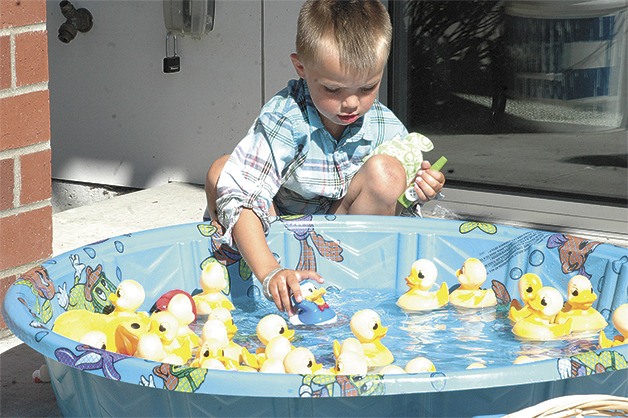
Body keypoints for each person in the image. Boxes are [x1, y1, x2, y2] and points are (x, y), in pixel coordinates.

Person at [205, 0, 445, 315]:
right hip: (277, 234)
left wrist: (417, 190)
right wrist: (269, 271)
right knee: (223, 172)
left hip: (342, 245)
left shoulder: (383, 126)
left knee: (388, 173)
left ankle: (359, 288)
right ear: (301, 69)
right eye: (333, 89)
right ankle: (243, 268)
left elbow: (397, 211)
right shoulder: (286, 119)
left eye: (368, 87)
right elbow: (245, 195)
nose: (351, 103)